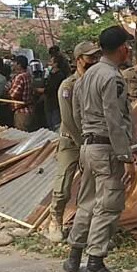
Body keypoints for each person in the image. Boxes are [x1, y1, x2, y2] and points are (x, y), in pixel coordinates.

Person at [64, 27, 137, 272]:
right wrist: (124, 155)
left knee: (87, 201)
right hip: (107, 147)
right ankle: (95, 264)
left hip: (89, 146)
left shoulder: (86, 76)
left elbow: (77, 114)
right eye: (128, 46)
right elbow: (115, 119)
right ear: (123, 48)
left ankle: (74, 255)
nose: (129, 50)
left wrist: (86, 142)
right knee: (108, 205)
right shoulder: (112, 78)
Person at [47, 41, 100, 243]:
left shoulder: (96, 83)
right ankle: (55, 220)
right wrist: (81, 142)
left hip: (93, 141)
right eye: (90, 57)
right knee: (63, 184)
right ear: (79, 60)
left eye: (96, 57)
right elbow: (68, 120)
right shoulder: (68, 86)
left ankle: (88, 228)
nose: (94, 61)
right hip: (72, 141)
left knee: (92, 187)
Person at [7, 55, 36, 131]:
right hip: (29, 110)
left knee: (21, 135)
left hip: (21, 112)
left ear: (19, 65)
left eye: (15, 63)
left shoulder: (20, 77)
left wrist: (7, 90)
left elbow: (13, 94)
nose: (13, 65)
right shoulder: (28, 75)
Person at [43, 54, 70, 130]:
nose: (49, 63)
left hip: (55, 103)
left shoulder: (59, 75)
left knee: (56, 126)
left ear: (56, 63)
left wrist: (41, 90)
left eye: (51, 61)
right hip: (50, 103)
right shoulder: (52, 74)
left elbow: (51, 88)